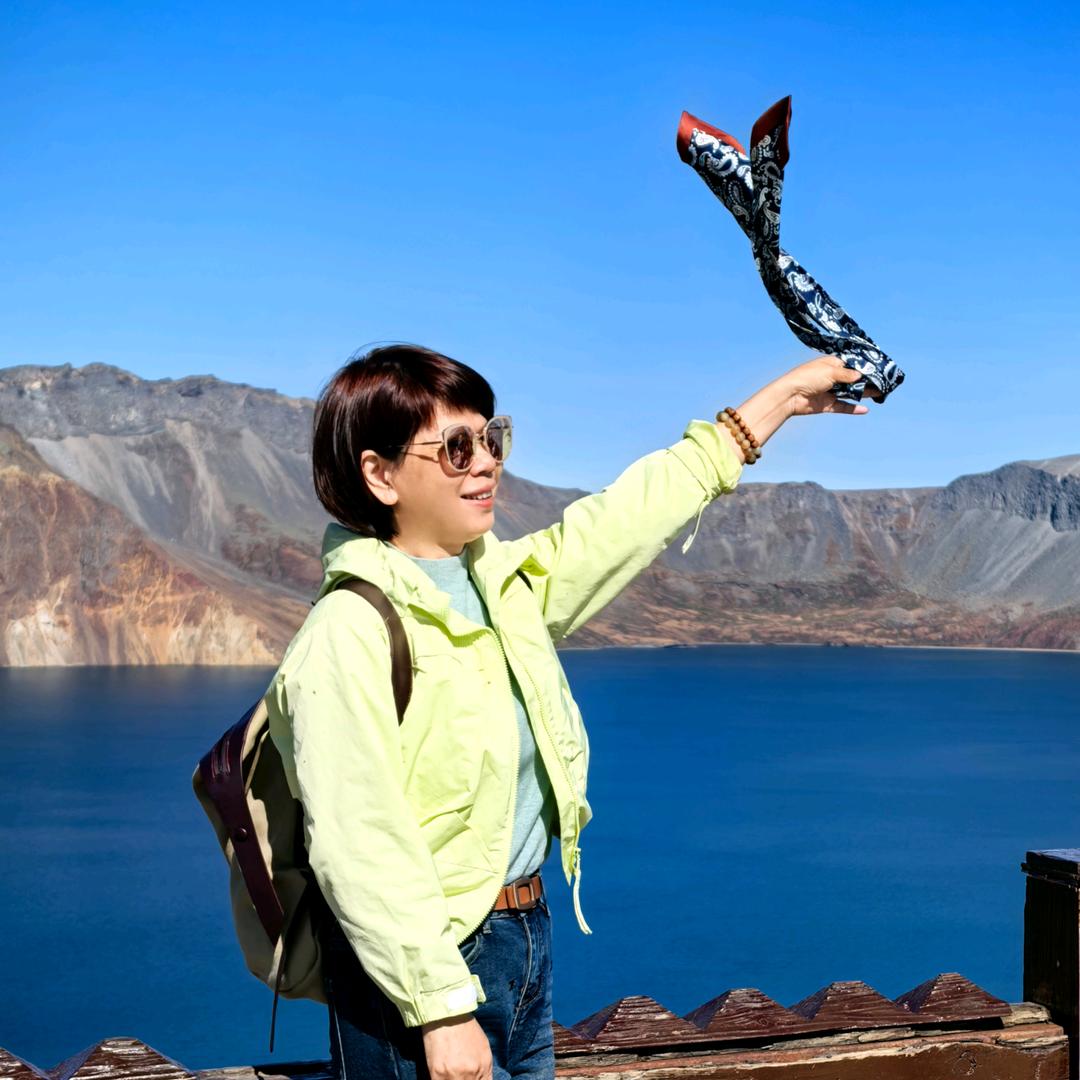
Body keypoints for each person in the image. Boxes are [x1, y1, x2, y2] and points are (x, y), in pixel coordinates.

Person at [264, 343, 869, 1080]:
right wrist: (442, 1011)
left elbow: (626, 520)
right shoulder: (347, 632)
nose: (486, 462)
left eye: (492, 438)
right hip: (420, 978)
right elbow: (360, 846)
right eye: (456, 447)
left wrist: (779, 402)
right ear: (380, 474)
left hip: (522, 938)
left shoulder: (502, 589)